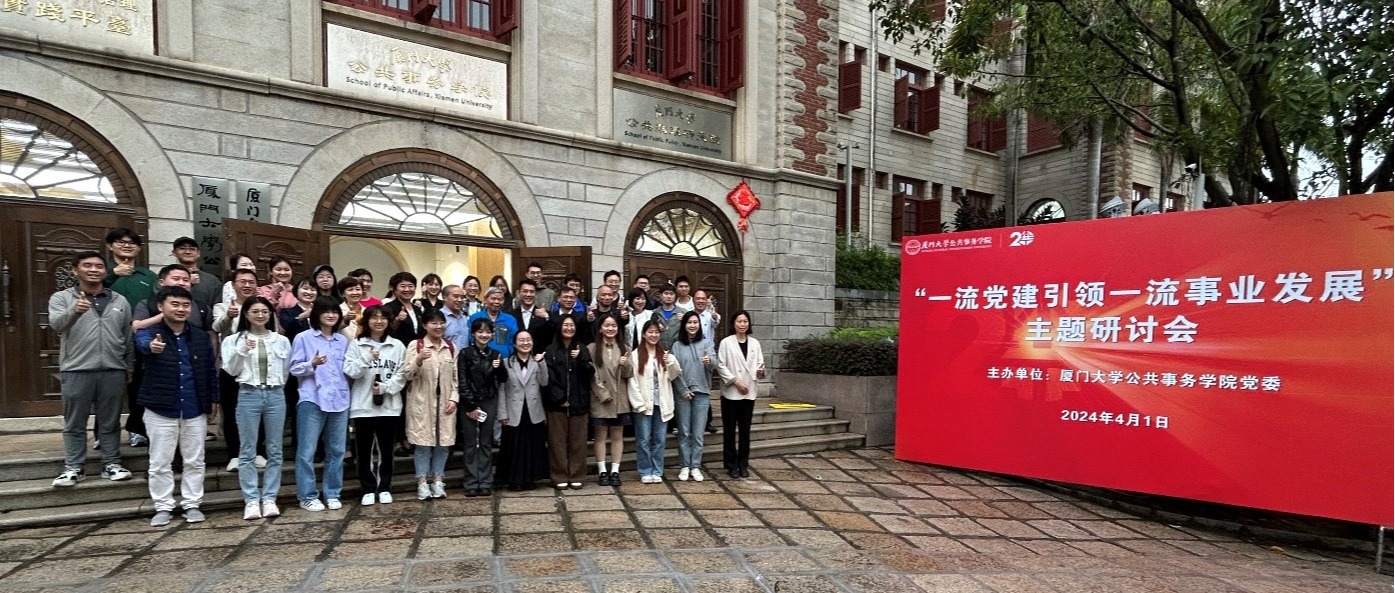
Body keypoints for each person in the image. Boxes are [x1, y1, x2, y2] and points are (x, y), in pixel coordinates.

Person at [49, 251, 135, 488]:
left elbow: (127, 336)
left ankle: (111, 464)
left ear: (105, 271)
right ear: (75, 270)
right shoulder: (61, 298)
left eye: (98, 266)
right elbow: (56, 325)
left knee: (110, 422)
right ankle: (74, 467)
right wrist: (74, 310)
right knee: (74, 423)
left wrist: (128, 365)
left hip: (113, 369)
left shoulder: (119, 300)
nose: (94, 270)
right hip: (76, 369)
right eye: (87, 265)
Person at [138, 287, 219, 526]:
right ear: (161, 307)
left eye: (185, 305)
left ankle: (192, 504)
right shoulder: (150, 332)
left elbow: (209, 370)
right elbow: (143, 345)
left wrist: (213, 400)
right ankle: (163, 506)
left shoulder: (199, 336)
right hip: (160, 407)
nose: (181, 309)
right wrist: (152, 347)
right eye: (175, 304)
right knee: (160, 462)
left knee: (195, 460)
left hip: (194, 407)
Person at [221, 296, 291, 520]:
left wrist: (275, 388)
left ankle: (269, 498)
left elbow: (285, 372)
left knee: (275, 449)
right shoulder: (233, 340)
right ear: (246, 314)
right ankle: (251, 500)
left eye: (265, 312)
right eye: (255, 311)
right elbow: (230, 370)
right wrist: (242, 350)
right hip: (248, 394)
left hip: (275, 394)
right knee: (247, 449)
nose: (260, 315)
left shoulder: (281, 340)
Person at [129, 264, 210, 448]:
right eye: (176, 278)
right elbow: (138, 329)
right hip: (157, 371)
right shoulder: (147, 304)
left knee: (194, 454)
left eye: (185, 279)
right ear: (161, 282)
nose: (181, 282)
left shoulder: (199, 307)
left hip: (192, 370)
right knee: (161, 447)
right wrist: (166, 314)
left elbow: (208, 334)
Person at [288, 298, 351, 512]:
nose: (331, 315)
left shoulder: (342, 340)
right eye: (326, 311)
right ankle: (307, 495)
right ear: (317, 314)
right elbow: (294, 369)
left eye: (335, 311)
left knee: (337, 450)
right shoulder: (303, 338)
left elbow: (347, 370)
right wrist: (312, 364)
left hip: (339, 399)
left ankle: (332, 493)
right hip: (312, 398)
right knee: (307, 451)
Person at [344, 305, 407, 506]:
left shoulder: (397, 345)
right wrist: (367, 358)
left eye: (383, 318)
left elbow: (402, 374)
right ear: (366, 321)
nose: (379, 321)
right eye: (374, 317)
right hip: (363, 406)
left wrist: (386, 388)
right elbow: (350, 371)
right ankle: (368, 488)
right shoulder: (357, 344)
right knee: (363, 451)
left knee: (386, 450)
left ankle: (385, 487)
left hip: (389, 406)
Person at [402, 310, 459, 500]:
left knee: (443, 443)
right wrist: (418, 360)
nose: (438, 326)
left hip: (445, 403)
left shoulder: (451, 347)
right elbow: (407, 374)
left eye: (441, 322)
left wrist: (454, 398)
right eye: (433, 323)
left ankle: (438, 481)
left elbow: (456, 378)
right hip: (422, 402)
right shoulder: (416, 345)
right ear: (425, 325)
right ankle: (422, 483)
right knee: (423, 444)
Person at [214, 268, 267, 471]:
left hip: (257, 367)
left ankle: (258, 452)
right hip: (232, 366)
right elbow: (217, 328)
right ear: (233, 284)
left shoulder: (261, 306)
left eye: (251, 282)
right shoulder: (222, 306)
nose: (247, 285)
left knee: (259, 411)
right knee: (231, 411)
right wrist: (228, 316)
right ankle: (235, 454)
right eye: (242, 281)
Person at [628, 320, 680, 484]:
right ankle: (645, 470)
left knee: (659, 439)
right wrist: (638, 404)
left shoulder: (664, 354)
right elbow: (632, 381)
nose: (653, 335)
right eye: (650, 332)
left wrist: (670, 362)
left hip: (662, 403)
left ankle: (657, 470)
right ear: (644, 334)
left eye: (656, 332)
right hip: (644, 404)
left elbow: (674, 375)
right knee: (643, 439)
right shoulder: (635, 355)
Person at [544, 317, 594, 490]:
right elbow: (549, 377)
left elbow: (590, 373)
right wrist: (560, 398)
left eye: (572, 325)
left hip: (579, 402)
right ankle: (559, 475)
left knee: (578, 442)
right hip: (556, 404)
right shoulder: (550, 350)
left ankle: (577, 475)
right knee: (557, 442)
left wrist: (580, 359)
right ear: (559, 327)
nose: (569, 328)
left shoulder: (582, 348)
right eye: (565, 325)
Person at [457, 318, 504, 497]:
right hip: (469, 402)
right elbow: (462, 380)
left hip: (489, 400)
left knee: (485, 442)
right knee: (470, 443)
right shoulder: (465, 353)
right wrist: (470, 405)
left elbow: (503, 379)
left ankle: (485, 481)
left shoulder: (495, 354)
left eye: (488, 332)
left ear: (492, 334)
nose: (484, 335)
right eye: (480, 331)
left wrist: (499, 368)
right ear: (473, 333)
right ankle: (470, 481)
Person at [496, 331, 549, 490]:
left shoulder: (537, 361)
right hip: (514, 410)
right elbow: (501, 389)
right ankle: (514, 480)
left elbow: (544, 382)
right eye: (521, 340)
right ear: (514, 343)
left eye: (528, 340)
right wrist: (502, 413)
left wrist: (542, 363)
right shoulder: (506, 363)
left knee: (532, 447)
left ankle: (530, 479)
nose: (525, 343)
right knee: (514, 448)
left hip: (533, 410)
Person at [717, 311, 765, 479]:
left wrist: (761, 371)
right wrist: (736, 382)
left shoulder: (755, 343)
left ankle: (743, 464)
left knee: (745, 430)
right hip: (731, 392)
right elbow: (721, 365)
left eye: (745, 321)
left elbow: (760, 363)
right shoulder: (726, 343)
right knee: (730, 430)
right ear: (733, 323)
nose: (742, 324)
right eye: (739, 321)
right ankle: (731, 464)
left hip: (749, 392)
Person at [670, 311, 715, 482]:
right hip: (683, 394)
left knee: (698, 433)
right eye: (689, 322)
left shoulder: (706, 343)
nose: (692, 325)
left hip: (702, 392)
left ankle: (695, 466)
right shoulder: (676, 346)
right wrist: (683, 390)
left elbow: (716, 363)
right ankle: (684, 465)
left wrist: (710, 362)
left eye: (695, 322)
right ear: (684, 325)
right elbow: (674, 371)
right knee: (684, 432)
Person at [589, 315, 633, 487]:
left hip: (619, 399)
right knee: (600, 436)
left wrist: (626, 363)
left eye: (613, 325)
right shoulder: (592, 348)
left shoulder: (625, 348)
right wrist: (602, 393)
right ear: (600, 328)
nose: (610, 328)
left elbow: (629, 374)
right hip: (600, 399)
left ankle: (615, 470)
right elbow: (591, 374)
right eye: (606, 325)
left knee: (617, 435)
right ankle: (602, 471)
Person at [278, 278, 320, 442]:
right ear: (296, 292)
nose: (309, 292)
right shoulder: (287, 311)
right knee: (297, 406)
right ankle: (299, 444)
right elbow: (287, 326)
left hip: (319, 366)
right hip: (297, 366)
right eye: (305, 288)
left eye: (313, 289)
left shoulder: (322, 313)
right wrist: (303, 316)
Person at [103, 228, 156, 307]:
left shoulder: (149, 275)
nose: (127, 246)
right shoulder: (100, 269)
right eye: (121, 242)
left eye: (132, 243)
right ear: (110, 246)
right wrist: (113, 273)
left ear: (139, 248)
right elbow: (88, 286)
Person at [171, 236, 219, 313]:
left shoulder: (212, 280)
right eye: (182, 248)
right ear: (174, 253)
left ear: (198, 253)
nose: (187, 252)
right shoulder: (167, 276)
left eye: (192, 249)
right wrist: (188, 283)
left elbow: (218, 309)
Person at [511, 278, 553, 354]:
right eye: (525, 291)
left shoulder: (545, 315)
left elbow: (551, 337)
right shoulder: (511, 315)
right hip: (516, 357)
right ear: (518, 293)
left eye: (532, 292)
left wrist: (547, 318)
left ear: (536, 294)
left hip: (538, 357)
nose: (528, 295)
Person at [381, 272, 421, 346]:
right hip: (397, 348)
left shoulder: (417, 309)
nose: (407, 289)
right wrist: (397, 320)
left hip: (415, 349)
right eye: (403, 286)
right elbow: (385, 331)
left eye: (410, 286)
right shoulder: (388, 307)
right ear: (395, 289)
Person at [652, 284, 683, 349]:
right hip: (658, 349)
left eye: (671, 294)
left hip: (677, 349)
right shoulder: (654, 313)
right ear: (661, 295)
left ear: (675, 296)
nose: (669, 296)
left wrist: (684, 320)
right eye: (666, 294)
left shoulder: (682, 312)